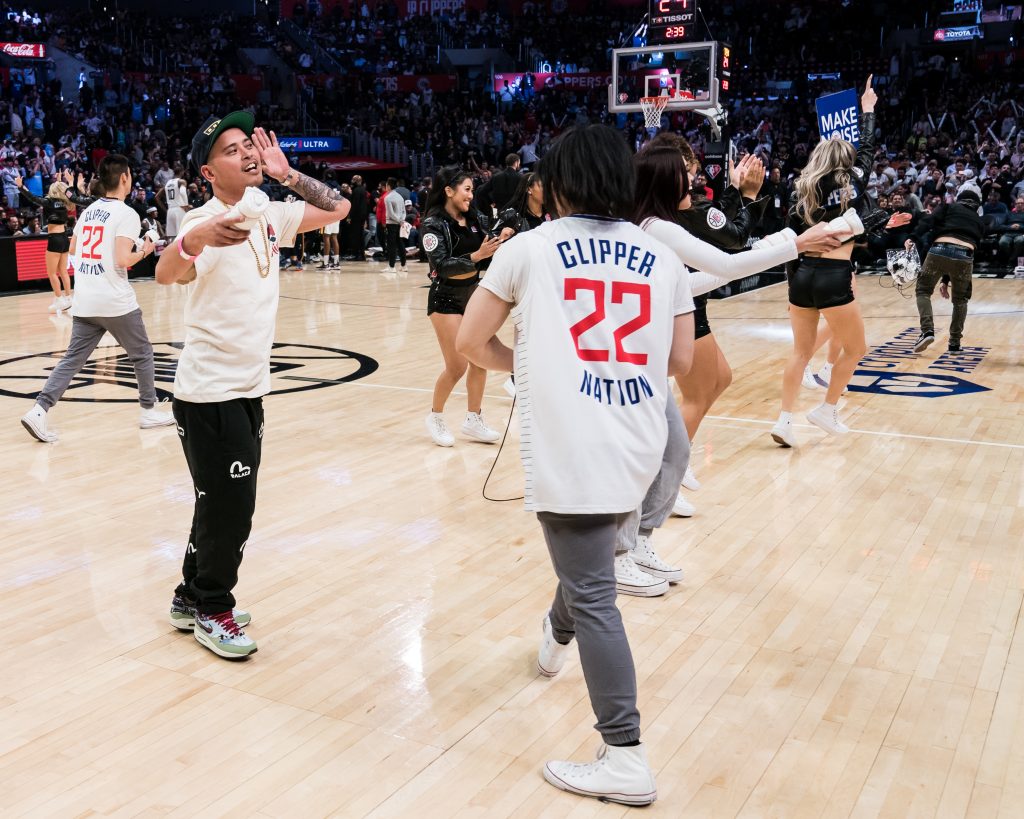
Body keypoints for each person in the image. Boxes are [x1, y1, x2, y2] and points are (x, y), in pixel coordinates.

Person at [456, 124, 696, 807]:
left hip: (573, 444)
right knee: (587, 564)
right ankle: (553, 638)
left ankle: (624, 753)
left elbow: (474, 340)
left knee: (593, 588)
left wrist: (518, 364)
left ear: (556, 184)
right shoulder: (661, 256)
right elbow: (679, 362)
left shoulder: (527, 250)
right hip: (638, 445)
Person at [154, 112, 351, 660]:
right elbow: (166, 275)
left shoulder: (269, 212)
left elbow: (340, 208)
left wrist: (288, 175)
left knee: (213, 501)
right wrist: (193, 239)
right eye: (231, 149)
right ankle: (215, 608)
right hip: (210, 391)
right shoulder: (205, 219)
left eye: (249, 145)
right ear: (208, 171)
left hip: (247, 386)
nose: (246, 153)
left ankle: (190, 597)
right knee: (232, 508)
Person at [627, 145, 841, 597]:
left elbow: (701, 277)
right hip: (641, 346)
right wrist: (794, 244)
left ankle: (637, 541)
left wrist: (776, 244)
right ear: (667, 184)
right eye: (685, 176)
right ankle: (625, 549)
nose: (693, 182)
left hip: (651, 340)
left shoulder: (656, 225)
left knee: (669, 444)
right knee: (654, 450)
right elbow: (723, 265)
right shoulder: (658, 227)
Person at [19, 155, 172, 443]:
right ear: (124, 178)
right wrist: (146, 249)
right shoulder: (126, 213)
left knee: (72, 359)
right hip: (115, 300)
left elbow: (74, 248)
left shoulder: (89, 210)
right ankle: (149, 410)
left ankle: (39, 410)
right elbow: (124, 259)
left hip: (86, 300)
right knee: (142, 354)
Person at [771, 76, 878, 446]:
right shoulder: (851, 181)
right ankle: (826, 409)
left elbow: (792, 243)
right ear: (843, 162)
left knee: (800, 353)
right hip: (835, 274)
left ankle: (784, 421)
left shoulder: (801, 191)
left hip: (801, 276)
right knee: (857, 349)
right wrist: (868, 111)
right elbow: (868, 150)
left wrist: (790, 285)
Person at [420, 167, 511, 448]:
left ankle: (474, 418)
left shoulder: (473, 219)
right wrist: (477, 255)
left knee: (480, 358)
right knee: (457, 365)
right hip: (444, 299)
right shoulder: (433, 225)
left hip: (472, 296)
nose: (472, 196)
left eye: (472, 190)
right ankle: (435, 416)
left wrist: (505, 232)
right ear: (449, 190)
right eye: (467, 190)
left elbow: (492, 230)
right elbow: (443, 266)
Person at [910, 189, 985, 353]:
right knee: (960, 300)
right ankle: (954, 344)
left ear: (959, 200)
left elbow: (929, 221)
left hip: (939, 249)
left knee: (923, 290)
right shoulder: (979, 221)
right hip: (966, 255)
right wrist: (946, 280)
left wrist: (913, 237)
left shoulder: (949, 207)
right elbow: (963, 249)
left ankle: (927, 331)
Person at [15, 168, 93, 312]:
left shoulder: (49, 202)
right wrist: (59, 181)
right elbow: (59, 191)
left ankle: (58, 300)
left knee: (51, 272)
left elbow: (32, 197)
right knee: (63, 271)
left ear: (52, 191)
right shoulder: (65, 204)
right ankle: (69, 298)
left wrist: (21, 186)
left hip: (54, 239)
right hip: (64, 238)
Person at [156, 165, 189, 239]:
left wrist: (165, 209)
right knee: (182, 235)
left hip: (170, 211)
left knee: (172, 237)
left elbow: (157, 197)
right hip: (179, 209)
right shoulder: (181, 181)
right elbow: (183, 192)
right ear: (182, 172)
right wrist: (186, 206)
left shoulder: (167, 183)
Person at [383, 177, 407, 273]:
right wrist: (401, 220)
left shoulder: (387, 198)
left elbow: (390, 214)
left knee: (391, 245)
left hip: (392, 223)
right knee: (400, 243)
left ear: (388, 186)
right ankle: (404, 265)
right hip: (399, 223)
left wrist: (398, 221)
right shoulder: (400, 197)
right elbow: (404, 211)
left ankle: (391, 267)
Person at [997, 195, 1024, 273]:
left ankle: (1011, 260)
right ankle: (1013, 258)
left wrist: (1020, 227)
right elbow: (1000, 226)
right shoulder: (1008, 214)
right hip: (1008, 233)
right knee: (1002, 242)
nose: (1020, 205)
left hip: (1020, 234)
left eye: (1022, 203)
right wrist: (1010, 227)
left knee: (1019, 241)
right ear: (1015, 205)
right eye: (1018, 203)